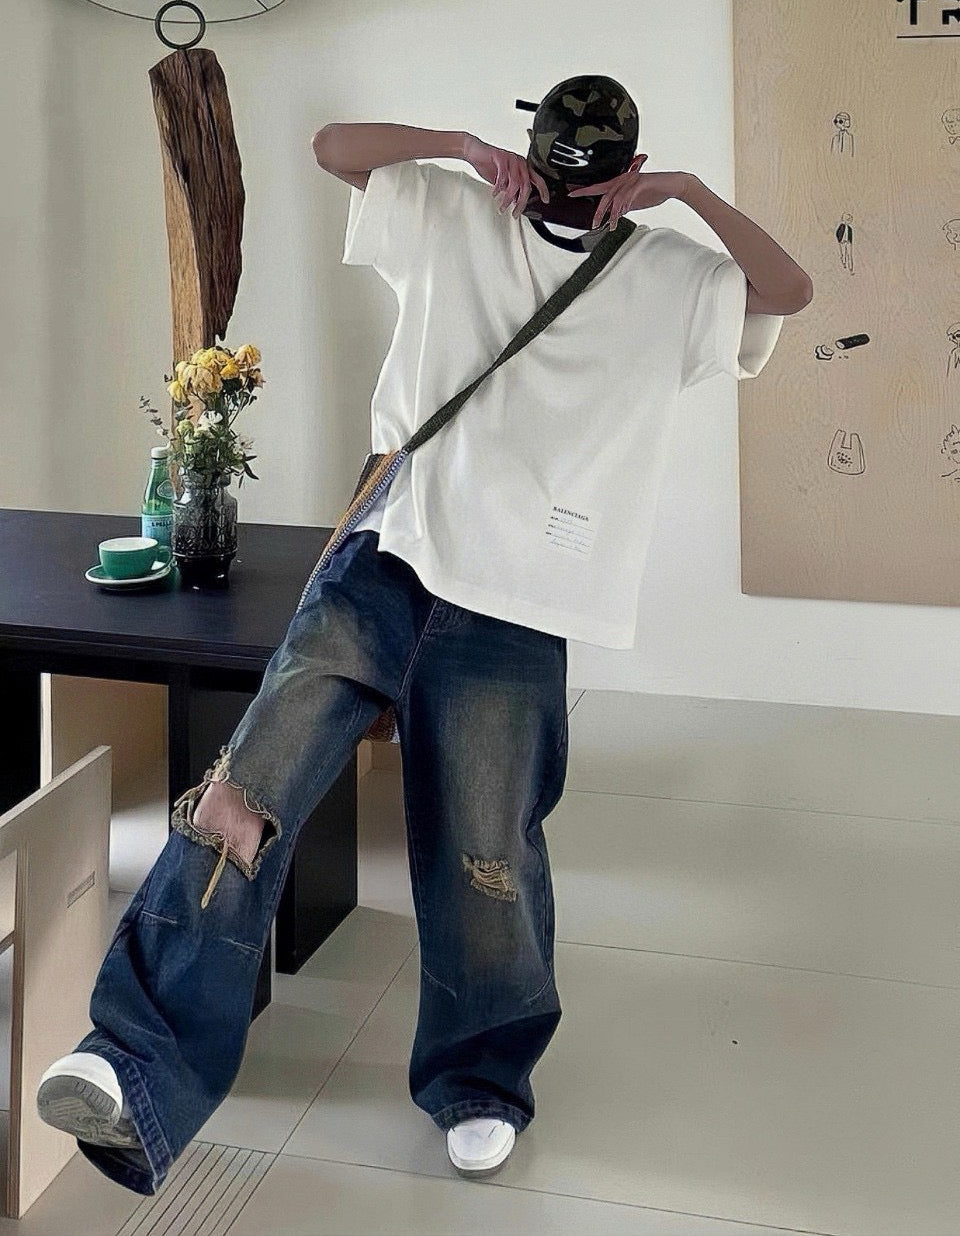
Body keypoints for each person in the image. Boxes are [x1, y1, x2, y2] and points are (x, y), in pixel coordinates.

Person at [35, 75, 811, 1197]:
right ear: (527, 152)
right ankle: (132, 1063)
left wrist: (686, 194)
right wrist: (459, 145)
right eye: (548, 170)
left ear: (626, 175)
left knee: (482, 853)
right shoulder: (455, 208)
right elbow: (332, 145)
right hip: (384, 559)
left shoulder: (668, 276)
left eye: (587, 181)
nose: (561, 195)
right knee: (242, 794)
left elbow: (789, 288)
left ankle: (480, 1080)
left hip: (523, 598)